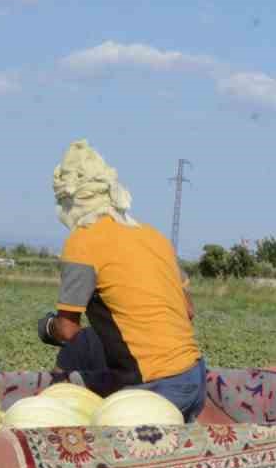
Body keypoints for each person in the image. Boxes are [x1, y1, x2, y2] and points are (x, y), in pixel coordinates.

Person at [36, 139, 206, 421]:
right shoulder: (152, 236)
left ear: (68, 202)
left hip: (155, 387)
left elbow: (67, 331)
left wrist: (47, 327)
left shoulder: (83, 241)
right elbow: (187, 310)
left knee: (72, 405)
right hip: (195, 378)